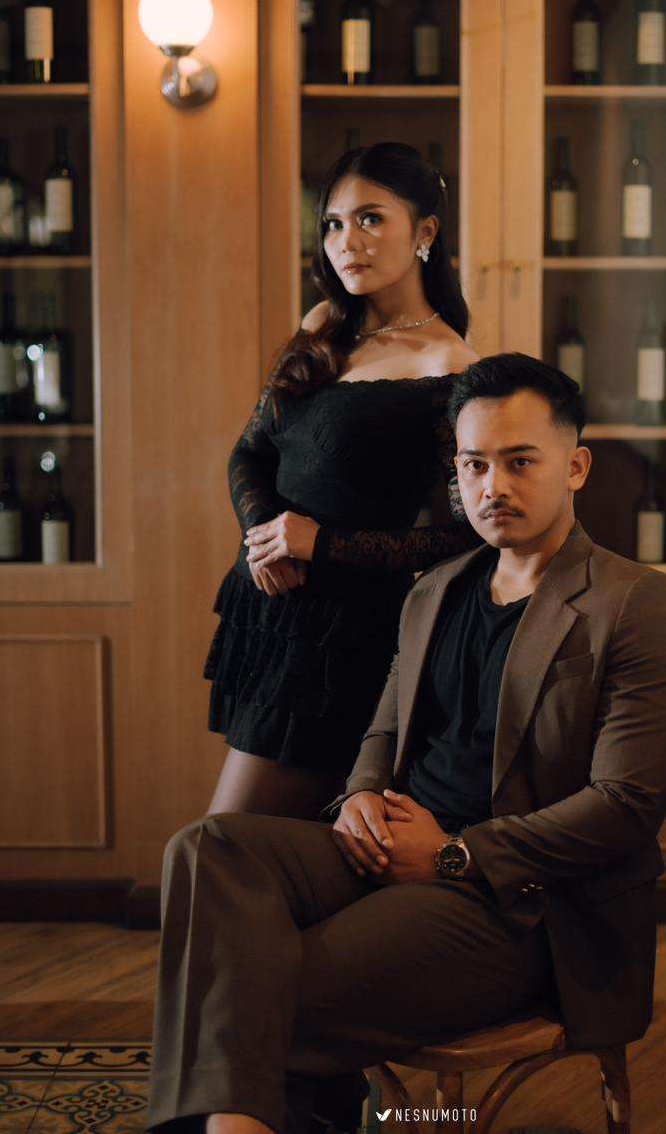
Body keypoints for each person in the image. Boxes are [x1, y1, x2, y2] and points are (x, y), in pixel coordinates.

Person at [146, 353, 666, 1134]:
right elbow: (385, 726)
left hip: (519, 903)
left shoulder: (631, 601)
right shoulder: (437, 588)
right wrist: (361, 796)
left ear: (575, 467)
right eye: (474, 465)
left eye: (519, 462)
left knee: (254, 984)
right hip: (392, 847)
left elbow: (625, 807)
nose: (492, 487)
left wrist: (453, 855)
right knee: (207, 849)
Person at [204, 141, 479, 820]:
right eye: (332, 223)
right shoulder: (325, 325)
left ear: (425, 231)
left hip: (342, 641)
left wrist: (320, 544)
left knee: (227, 842)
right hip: (266, 611)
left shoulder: (450, 368)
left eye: (370, 219)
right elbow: (249, 453)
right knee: (268, 853)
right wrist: (265, 537)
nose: (345, 242)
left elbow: (466, 533)